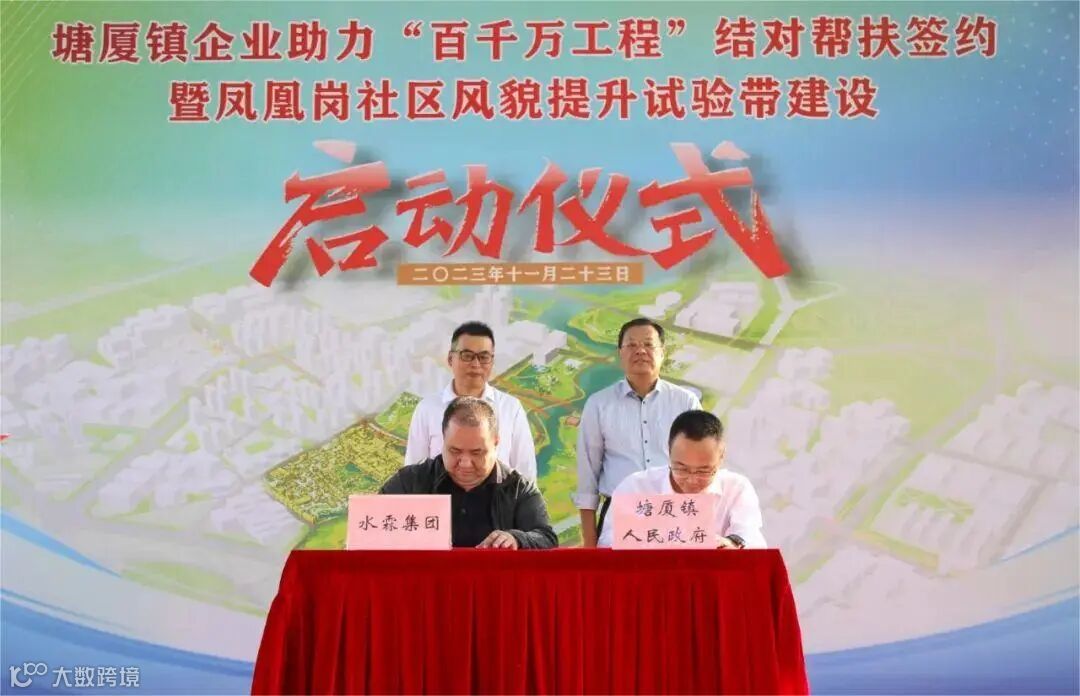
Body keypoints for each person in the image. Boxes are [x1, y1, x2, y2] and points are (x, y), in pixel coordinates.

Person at [574, 318, 702, 547]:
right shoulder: (598, 404)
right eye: (631, 345)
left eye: (648, 344)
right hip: (620, 517)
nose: (640, 351)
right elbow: (587, 478)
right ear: (620, 353)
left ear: (662, 352)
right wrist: (590, 545)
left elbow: (702, 467)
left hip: (675, 514)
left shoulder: (686, 402)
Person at [382, 396, 557, 549]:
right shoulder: (410, 481)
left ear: (496, 443)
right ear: (444, 440)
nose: (465, 463)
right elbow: (373, 526)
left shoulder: (518, 489)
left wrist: (517, 538)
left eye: (476, 453)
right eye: (455, 451)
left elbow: (546, 537)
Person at [598, 410, 766, 549]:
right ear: (669, 451)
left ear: (722, 457)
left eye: (704, 471)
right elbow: (608, 542)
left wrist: (732, 543)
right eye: (681, 469)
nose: (692, 480)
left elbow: (751, 536)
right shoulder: (636, 487)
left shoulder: (736, 488)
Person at [405, 321, 537, 481]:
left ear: (492, 361)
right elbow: (413, 475)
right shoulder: (427, 409)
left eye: (484, 357)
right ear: (450, 359)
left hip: (497, 497)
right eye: (467, 356)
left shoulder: (510, 408)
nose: (475, 364)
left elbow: (526, 474)